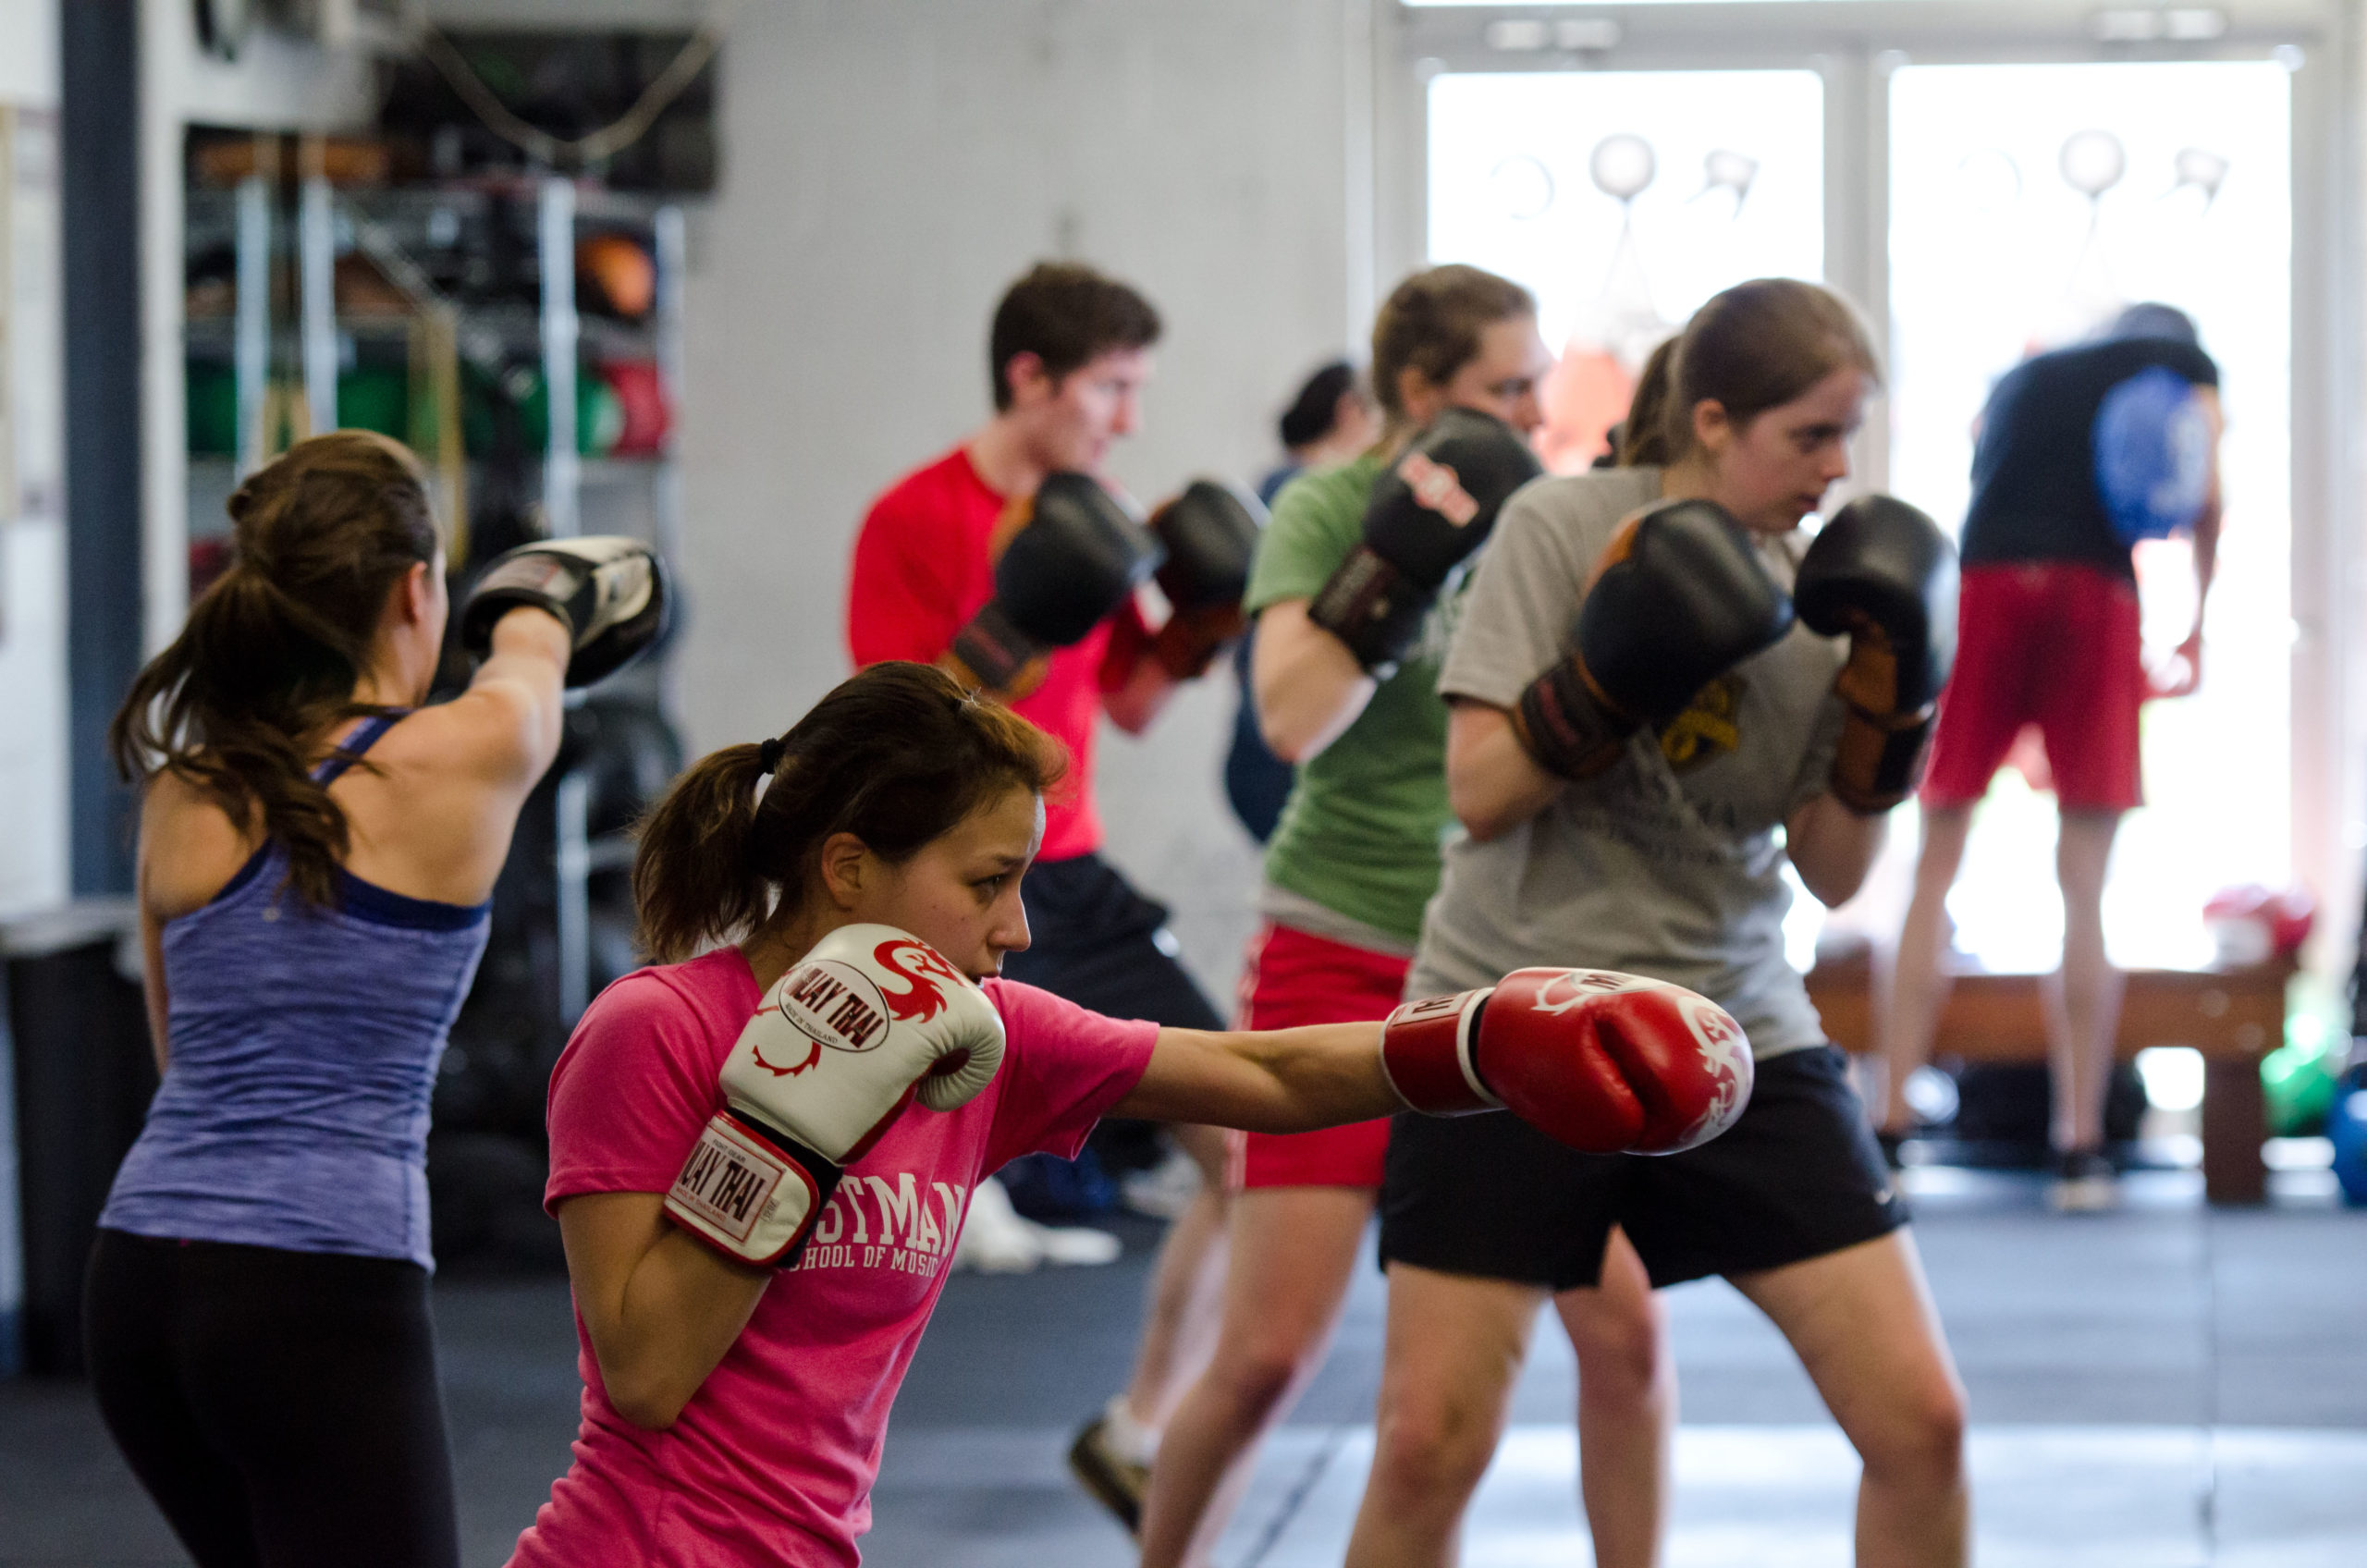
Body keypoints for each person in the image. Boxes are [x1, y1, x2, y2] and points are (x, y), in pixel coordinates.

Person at [503, 658, 1749, 1568]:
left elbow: (1262, 1079)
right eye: (988, 884)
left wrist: (1487, 1040)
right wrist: (788, 1129)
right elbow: (650, 1374)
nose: (1019, 929)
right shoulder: (653, 1033)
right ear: (846, 870)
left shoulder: (981, 1040)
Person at [1344, 279, 1970, 1568]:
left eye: (1851, 435)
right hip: (1509, 1018)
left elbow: (1837, 876)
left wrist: (1890, 719)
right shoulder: (1561, 527)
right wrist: (1609, 669)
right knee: (1427, 1446)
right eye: (1810, 435)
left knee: (1923, 1425)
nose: (1836, 469)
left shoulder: (1825, 605)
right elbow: (1481, 793)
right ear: (1713, 419)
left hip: (1733, 1024)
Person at [1142, 264, 1677, 1568]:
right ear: (1422, 395)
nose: (1533, 412)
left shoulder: (1545, 520)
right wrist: (1397, 560)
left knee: (1625, 1336)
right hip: (1341, 942)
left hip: (1501, 969)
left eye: (1539, 385)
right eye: (1506, 389)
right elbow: (1288, 720)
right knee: (1268, 1354)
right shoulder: (1326, 507)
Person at [83, 431, 666, 1568]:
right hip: (314, 1291)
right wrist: (536, 598)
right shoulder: (468, 751)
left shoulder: (187, 786)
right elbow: (540, 628)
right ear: (413, 589)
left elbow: (178, 1057)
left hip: (141, 1283)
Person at [841, 260, 1252, 1529]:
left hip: (1072, 875)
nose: (1126, 418)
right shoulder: (911, 518)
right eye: (1111, 388)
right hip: (955, 892)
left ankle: (1139, 1433)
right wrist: (1018, 617)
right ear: (1032, 380)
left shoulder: (1105, 515)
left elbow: (1127, 702)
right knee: (866, 1193)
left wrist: (1201, 619)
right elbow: (889, 738)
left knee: (1240, 1144)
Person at [1878, 302, 2223, 1210]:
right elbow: (2202, 490)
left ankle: (1887, 1127)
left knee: (1932, 864)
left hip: (1982, 583)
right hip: (2091, 592)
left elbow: (1979, 469)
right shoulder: (2173, 353)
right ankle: (2079, 1146)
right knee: (2082, 882)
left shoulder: (2024, 375)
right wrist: (2197, 626)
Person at [1227, 360, 1381, 844]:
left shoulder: (1273, 485)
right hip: (1278, 748)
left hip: (1259, 745)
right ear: (1350, 411)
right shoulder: (1305, 496)